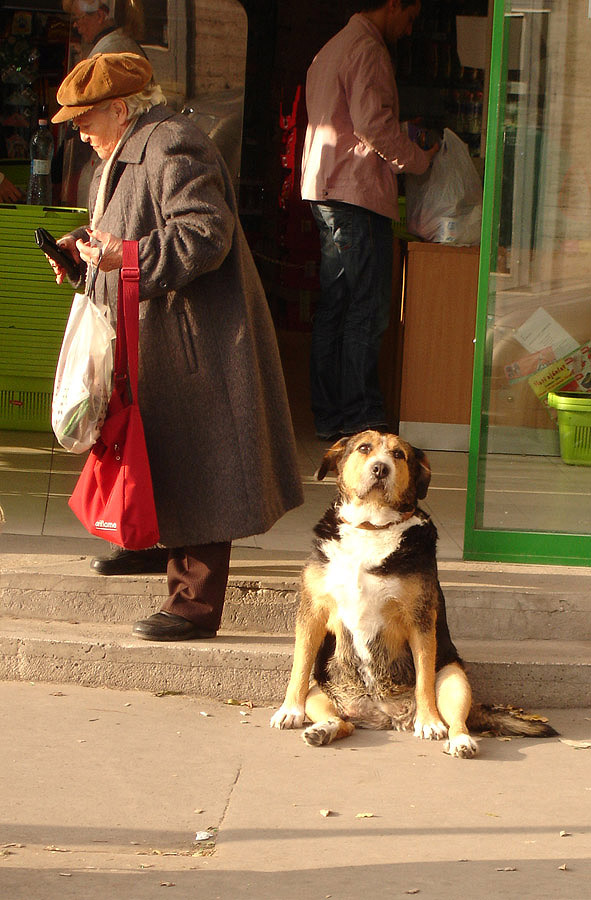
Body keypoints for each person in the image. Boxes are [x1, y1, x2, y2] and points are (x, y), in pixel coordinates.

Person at [47, 52, 304, 640]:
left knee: (200, 460)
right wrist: (84, 249)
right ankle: (148, 540)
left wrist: (124, 257)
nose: (78, 131)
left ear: (120, 108)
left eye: (85, 118)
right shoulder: (121, 151)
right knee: (153, 447)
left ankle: (193, 603)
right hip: (152, 332)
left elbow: (203, 234)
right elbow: (129, 226)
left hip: (193, 336)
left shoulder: (170, 144)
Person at [301, 0, 439, 441]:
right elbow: (374, 127)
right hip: (355, 194)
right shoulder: (369, 49)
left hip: (325, 188)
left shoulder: (332, 48)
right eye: (410, 17)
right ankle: (361, 417)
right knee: (366, 308)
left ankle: (330, 415)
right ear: (394, 5)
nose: (409, 28)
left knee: (336, 307)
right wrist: (418, 159)